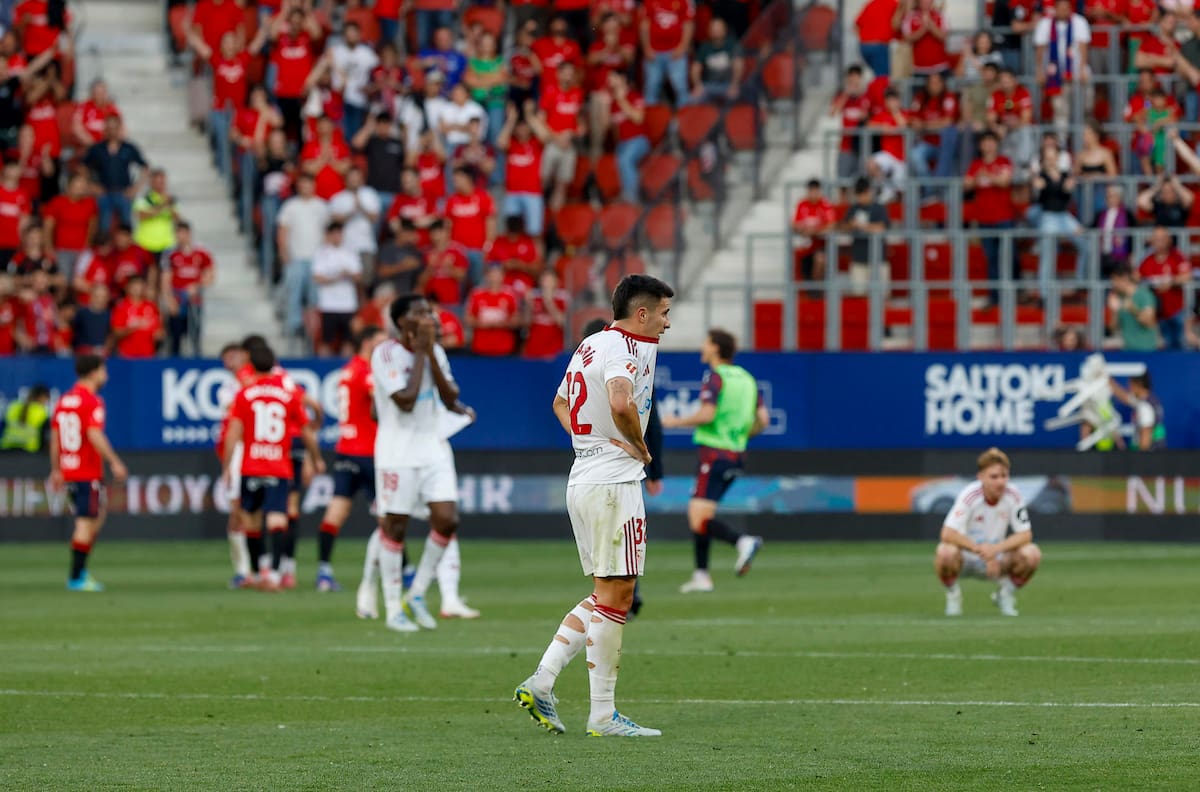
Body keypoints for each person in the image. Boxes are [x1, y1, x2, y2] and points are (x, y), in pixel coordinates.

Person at [514, 274, 674, 738]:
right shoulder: (623, 349)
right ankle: (602, 714)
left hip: (584, 477)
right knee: (618, 596)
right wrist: (639, 447)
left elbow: (560, 402)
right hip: (612, 484)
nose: (667, 322)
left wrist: (589, 441)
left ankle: (543, 681)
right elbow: (622, 401)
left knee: (610, 595)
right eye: (663, 313)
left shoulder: (590, 344)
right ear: (641, 314)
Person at [370, 294, 477, 632]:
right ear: (402, 321)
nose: (429, 317)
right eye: (420, 312)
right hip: (396, 451)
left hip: (432, 446)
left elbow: (449, 397)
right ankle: (392, 608)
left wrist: (429, 353)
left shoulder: (436, 351)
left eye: (430, 311)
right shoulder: (384, 353)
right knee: (395, 526)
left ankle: (416, 594)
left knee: (447, 519)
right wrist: (420, 353)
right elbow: (404, 400)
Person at [664, 329, 768, 593]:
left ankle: (742, 541)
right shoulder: (747, 378)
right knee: (700, 513)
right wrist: (741, 434)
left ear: (715, 348)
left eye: (706, 342)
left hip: (714, 453)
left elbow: (708, 414)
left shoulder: (715, 376)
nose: (702, 346)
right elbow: (763, 421)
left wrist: (674, 422)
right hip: (737, 455)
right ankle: (701, 575)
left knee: (698, 518)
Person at [222, 342, 325, 591]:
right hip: (279, 467)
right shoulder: (288, 394)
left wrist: (227, 467)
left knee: (251, 523)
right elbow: (306, 431)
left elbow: (233, 433)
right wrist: (316, 457)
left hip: (251, 467)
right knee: (278, 519)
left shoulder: (244, 394)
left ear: (251, 366)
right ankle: (278, 574)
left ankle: (259, 572)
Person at [49, 354, 128, 591]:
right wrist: (114, 461)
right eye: (104, 370)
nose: (107, 375)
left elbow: (54, 439)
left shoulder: (63, 400)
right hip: (86, 471)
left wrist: (56, 469)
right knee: (86, 522)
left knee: (95, 517)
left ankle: (79, 572)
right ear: (94, 372)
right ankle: (77, 577)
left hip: (70, 469)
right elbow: (94, 434)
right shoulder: (92, 401)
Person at [315, 325, 386, 592]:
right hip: (368, 451)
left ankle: (324, 571)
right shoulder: (367, 371)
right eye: (381, 342)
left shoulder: (347, 369)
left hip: (346, 449)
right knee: (388, 515)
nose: (385, 347)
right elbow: (378, 400)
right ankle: (405, 570)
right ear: (367, 343)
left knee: (337, 510)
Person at [934, 448, 1042, 617]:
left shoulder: (1012, 494)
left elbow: (1025, 534)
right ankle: (953, 594)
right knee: (945, 552)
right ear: (981, 477)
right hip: (966, 559)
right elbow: (947, 533)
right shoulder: (970, 495)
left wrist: (995, 550)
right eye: (994, 477)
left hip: (997, 561)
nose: (1000, 482)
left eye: (1004, 476)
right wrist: (981, 550)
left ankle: (1005, 594)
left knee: (1032, 554)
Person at [311, 221, 363, 356]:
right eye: (334, 234)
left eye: (339, 233)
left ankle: (346, 366)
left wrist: (348, 274)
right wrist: (337, 277)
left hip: (348, 304)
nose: (337, 237)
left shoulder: (350, 252)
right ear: (328, 235)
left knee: (349, 340)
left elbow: (359, 276)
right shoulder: (321, 253)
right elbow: (317, 277)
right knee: (326, 339)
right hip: (328, 304)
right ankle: (324, 367)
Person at [164, 221, 215, 357]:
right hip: (177, 297)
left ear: (188, 234)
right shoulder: (171, 254)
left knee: (195, 330)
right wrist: (169, 299)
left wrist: (196, 286)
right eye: (177, 233)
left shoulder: (201, 253)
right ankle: (175, 359)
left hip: (194, 299)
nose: (179, 236)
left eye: (182, 233)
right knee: (175, 333)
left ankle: (196, 357)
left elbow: (210, 275)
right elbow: (166, 278)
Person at [1108, 265, 1159, 351]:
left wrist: (1132, 309)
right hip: (1127, 350)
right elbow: (1113, 328)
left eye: (1115, 280)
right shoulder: (1119, 297)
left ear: (1125, 279)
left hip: (1146, 350)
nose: (1113, 284)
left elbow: (1148, 322)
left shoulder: (1145, 295)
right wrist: (1115, 311)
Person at [1113, 373, 1166, 451]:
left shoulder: (1145, 407)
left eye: (1131, 384)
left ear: (1138, 384)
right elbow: (1125, 397)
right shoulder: (1150, 401)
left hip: (1149, 457)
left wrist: (1139, 460)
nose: (1128, 387)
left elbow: (1145, 440)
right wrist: (1107, 380)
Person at [0, 383, 50, 452]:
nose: (46, 402)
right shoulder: (41, 412)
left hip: (6, 449)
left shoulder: (13, 406)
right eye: (46, 399)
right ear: (41, 397)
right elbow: (45, 438)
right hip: (28, 452)